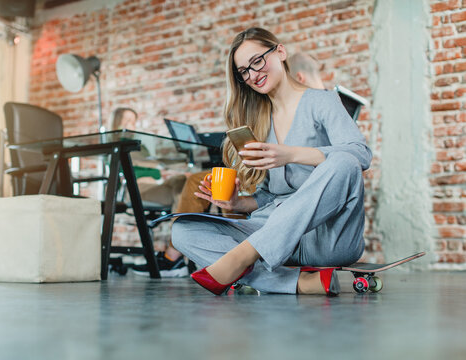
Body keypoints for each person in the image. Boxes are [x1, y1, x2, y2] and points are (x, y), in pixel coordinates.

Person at [171, 27, 372, 296]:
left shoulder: (322, 101)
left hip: (326, 239)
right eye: (244, 71)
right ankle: (297, 283)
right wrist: (238, 203)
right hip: (275, 233)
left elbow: (361, 154)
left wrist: (291, 154)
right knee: (183, 231)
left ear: (280, 52)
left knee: (344, 162)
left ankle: (242, 258)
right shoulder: (259, 120)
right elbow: (269, 197)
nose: (253, 75)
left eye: (257, 61)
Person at [132, 51, 328, 278]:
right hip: (271, 187)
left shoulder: (314, 109)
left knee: (198, 180)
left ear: (299, 78)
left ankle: (175, 257)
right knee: (198, 190)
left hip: (286, 204)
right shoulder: (302, 108)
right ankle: (187, 254)